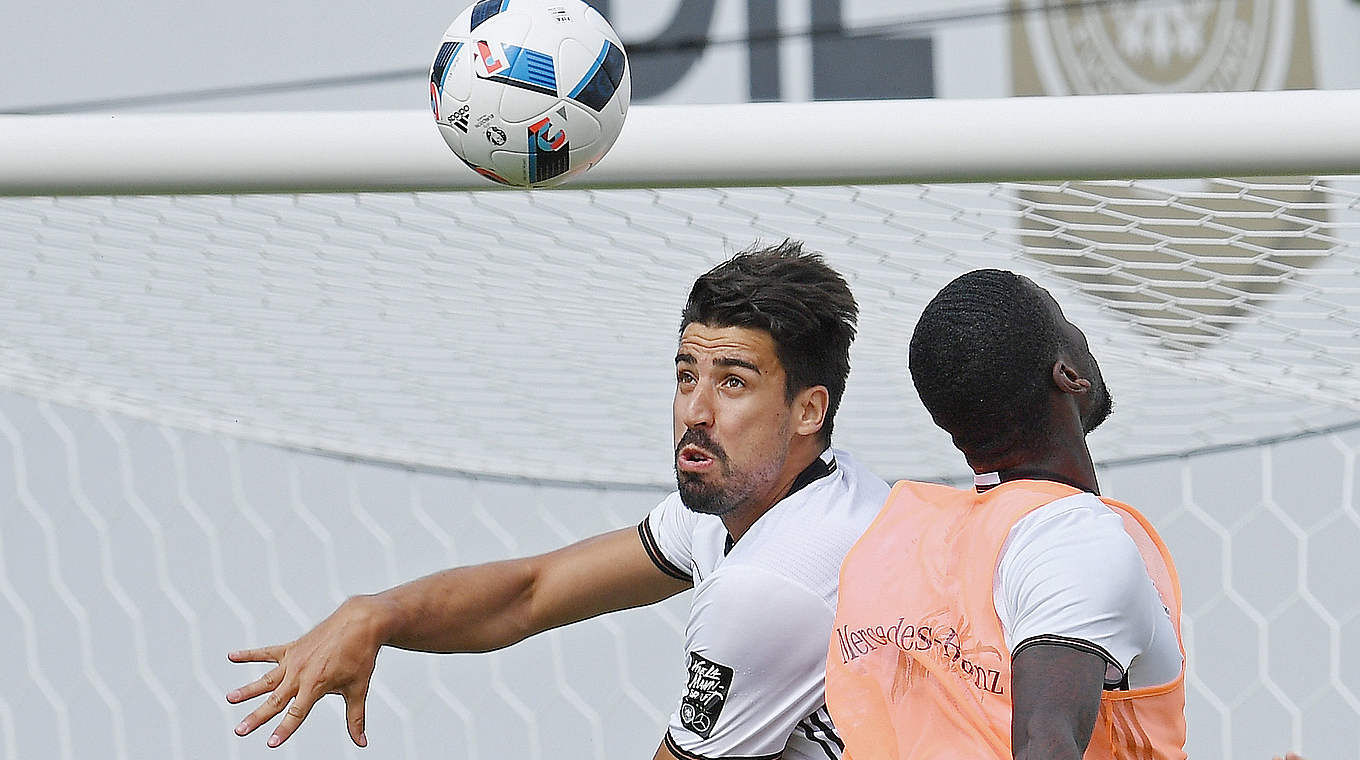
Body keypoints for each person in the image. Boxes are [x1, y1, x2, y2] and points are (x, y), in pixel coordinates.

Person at [227, 241, 890, 759]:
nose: (695, 410)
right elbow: (532, 594)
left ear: (809, 410)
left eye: (734, 383)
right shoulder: (784, 497)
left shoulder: (773, 582)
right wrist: (379, 614)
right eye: (687, 374)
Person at [825, 269, 1186, 760]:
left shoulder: (896, 541)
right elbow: (1046, 743)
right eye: (1067, 320)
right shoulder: (1070, 536)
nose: (1082, 335)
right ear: (1069, 375)